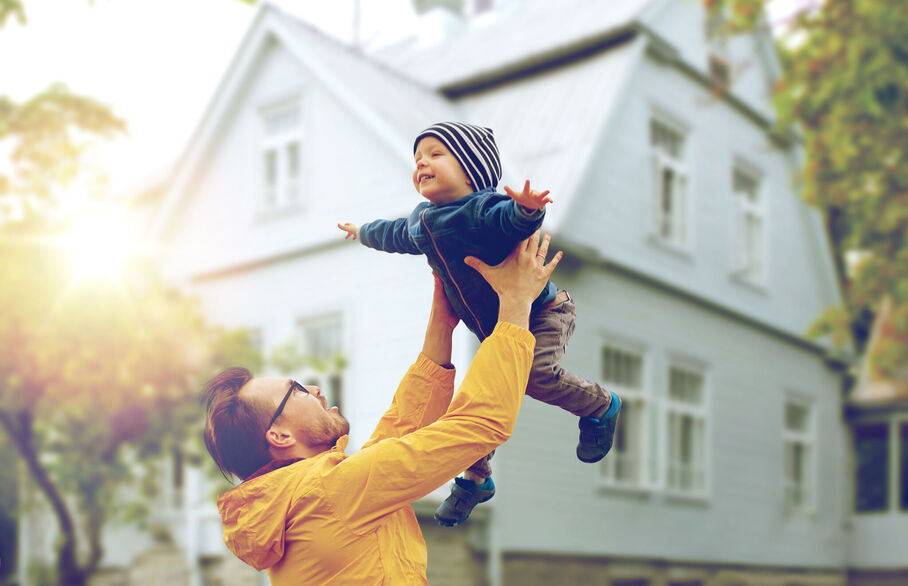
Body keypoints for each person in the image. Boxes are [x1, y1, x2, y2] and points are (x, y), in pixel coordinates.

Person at [204, 231, 560, 585]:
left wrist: (442, 316)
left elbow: (402, 430)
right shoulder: (329, 491)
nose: (313, 388)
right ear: (279, 436)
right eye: (296, 390)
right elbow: (480, 423)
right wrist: (516, 304)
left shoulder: (302, 498)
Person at [338, 121, 621, 526]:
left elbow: (509, 220)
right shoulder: (421, 220)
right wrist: (363, 231)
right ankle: (475, 480)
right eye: (417, 158)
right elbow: (393, 233)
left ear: (471, 169)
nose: (421, 163)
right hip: (498, 331)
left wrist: (527, 209)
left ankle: (600, 405)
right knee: (479, 399)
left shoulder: (482, 208)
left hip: (543, 312)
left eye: (435, 154)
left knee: (534, 376)